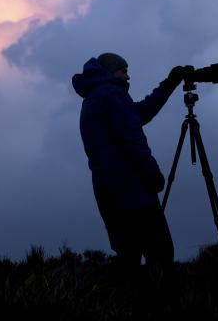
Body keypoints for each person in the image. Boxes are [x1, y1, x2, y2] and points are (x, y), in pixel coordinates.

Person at [72, 52, 187, 272]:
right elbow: (132, 139)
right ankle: (162, 303)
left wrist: (169, 84)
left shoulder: (94, 98)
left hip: (107, 191)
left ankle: (128, 304)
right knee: (160, 252)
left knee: (128, 256)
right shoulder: (112, 95)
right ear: (110, 72)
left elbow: (138, 114)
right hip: (132, 190)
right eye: (124, 71)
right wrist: (153, 173)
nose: (128, 77)